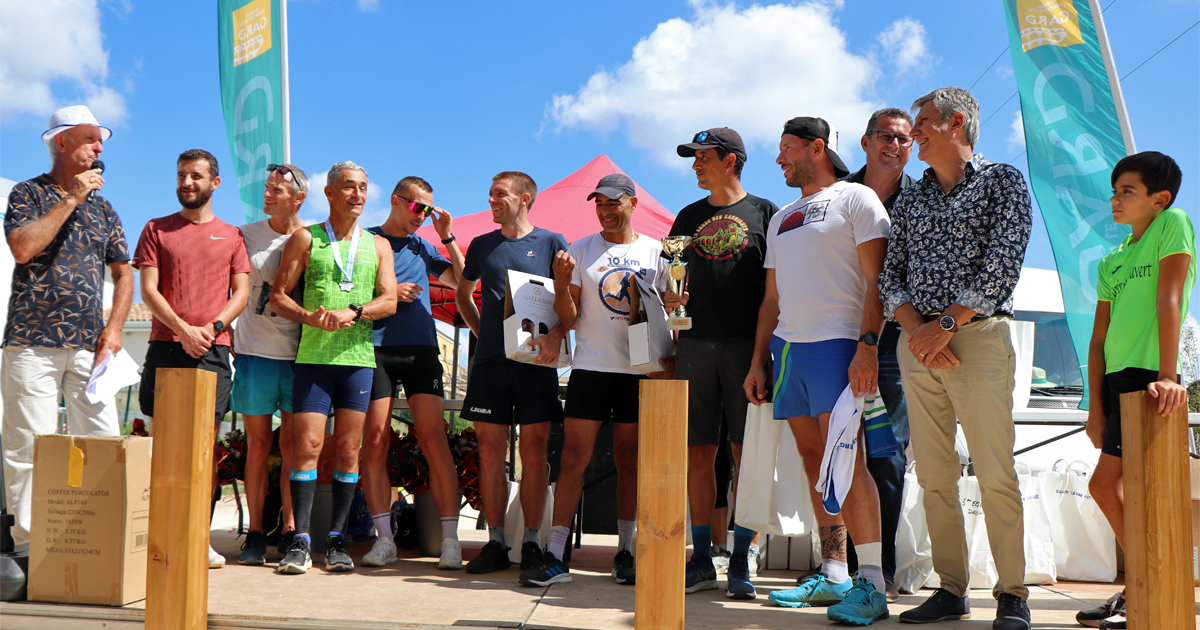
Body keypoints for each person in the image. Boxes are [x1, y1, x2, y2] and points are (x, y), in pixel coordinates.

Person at [878, 87, 1033, 630]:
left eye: (921, 121)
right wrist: (920, 332)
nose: (914, 131)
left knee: (995, 471)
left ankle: (1013, 595)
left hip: (977, 339)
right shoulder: (914, 198)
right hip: (918, 341)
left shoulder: (1002, 181)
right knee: (935, 475)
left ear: (955, 122)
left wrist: (944, 328)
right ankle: (950, 590)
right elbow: (889, 277)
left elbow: (1002, 266)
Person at [744, 116, 891, 625]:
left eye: (787, 149)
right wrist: (759, 358)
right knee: (814, 462)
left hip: (839, 344)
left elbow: (877, 281)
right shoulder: (781, 214)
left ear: (817, 148)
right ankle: (834, 574)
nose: (780, 159)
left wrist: (867, 345)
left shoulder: (857, 198)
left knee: (847, 462)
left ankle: (872, 584)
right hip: (788, 350)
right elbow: (771, 298)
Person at [516, 174, 671, 587]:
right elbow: (567, 318)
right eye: (598, 203)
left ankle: (626, 550)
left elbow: (669, 314)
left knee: (629, 461)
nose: (605, 210)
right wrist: (562, 281)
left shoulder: (659, 253)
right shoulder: (580, 249)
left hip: (640, 373)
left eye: (613, 202)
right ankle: (554, 553)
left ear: (633, 203)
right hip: (591, 369)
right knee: (572, 460)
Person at [2, 105, 133, 548]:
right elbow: (22, 248)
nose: (100, 147)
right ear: (62, 142)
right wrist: (71, 198)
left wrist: (114, 331)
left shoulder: (107, 210)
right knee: (29, 448)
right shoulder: (28, 194)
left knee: (103, 442)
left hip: (90, 348)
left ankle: (101, 543)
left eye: (102, 141)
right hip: (30, 344)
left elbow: (124, 274)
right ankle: (26, 550)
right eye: (90, 139)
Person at [1075, 152, 1193, 630]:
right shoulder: (1112, 259)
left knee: (1144, 493)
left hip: (1152, 379)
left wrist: (1168, 375)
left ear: (1158, 198)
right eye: (1114, 190)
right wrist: (1093, 407)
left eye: (1127, 190)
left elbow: (1171, 298)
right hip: (1114, 384)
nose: (1115, 199)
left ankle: (1146, 595)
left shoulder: (1173, 223)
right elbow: (1098, 337)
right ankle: (1138, 589)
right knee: (1105, 485)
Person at [269, 161, 397, 574]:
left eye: (362, 187)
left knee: (347, 450)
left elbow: (390, 301)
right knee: (306, 448)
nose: (357, 194)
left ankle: (337, 539)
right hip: (313, 361)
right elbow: (278, 297)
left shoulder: (378, 245)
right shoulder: (306, 238)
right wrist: (313, 318)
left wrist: (355, 311)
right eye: (348, 187)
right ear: (329, 193)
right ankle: (301, 541)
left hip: (358, 363)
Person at [667, 128, 778, 599]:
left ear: (731, 161)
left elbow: (776, 291)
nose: (695, 164)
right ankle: (699, 557)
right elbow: (671, 279)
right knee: (697, 453)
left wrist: (762, 354)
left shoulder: (766, 213)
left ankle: (740, 559)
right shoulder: (687, 217)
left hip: (746, 349)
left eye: (703, 157)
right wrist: (670, 299)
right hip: (693, 345)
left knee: (744, 456)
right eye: (693, 157)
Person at [133, 148, 251, 569]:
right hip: (167, 347)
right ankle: (160, 538)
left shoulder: (232, 235)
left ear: (214, 183)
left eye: (196, 176)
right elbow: (148, 291)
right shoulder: (155, 229)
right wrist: (184, 330)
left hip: (213, 351)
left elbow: (241, 293)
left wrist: (212, 330)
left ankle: (198, 539)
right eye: (181, 175)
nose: (187, 182)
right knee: (163, 449)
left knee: (204, 451)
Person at [455, 171, 569, 574]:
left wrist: (556, 335)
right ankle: (496, 543)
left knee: (534, 453)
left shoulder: (553, 242)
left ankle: (533, 542)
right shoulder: (482, 245)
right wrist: (483, 333)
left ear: (524, 199)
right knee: (489, 453)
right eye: (489, 194)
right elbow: (462, 294)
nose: (492, 200)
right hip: (489, 365)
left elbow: (569, 306)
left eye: (499, 194)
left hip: (536, 365)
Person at [360, 176, 466, 570]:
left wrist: (448, 236)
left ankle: (450, 540)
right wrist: (388, 295)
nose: (424, 216)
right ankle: (384, 539)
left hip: (421, 350)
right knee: (374, 440)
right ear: (396, 201)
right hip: (375, 349)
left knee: (434, 438)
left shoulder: (424, 245)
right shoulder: (366, 240)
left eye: (430, 210)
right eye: (420, 208)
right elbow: (345, 292)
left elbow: (462, 282)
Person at [841, 107, 916, 602]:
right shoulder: (835, 193)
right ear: (866, 142)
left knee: (886, 458)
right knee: (836, 455)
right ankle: (842, 570)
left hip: (893, 343)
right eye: (886, 137)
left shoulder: (924, 199)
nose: (895, 145)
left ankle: (879, 572)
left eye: (905, 140)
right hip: (833, 336)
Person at [232, 163, 309, 565]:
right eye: (266, 188)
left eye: (276, 190)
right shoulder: (245, 235)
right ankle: (256, 534)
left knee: (295, 448)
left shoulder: (313, 238)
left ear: (298, 198)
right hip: (254, 352)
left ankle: (291, 531)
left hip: (299, 356)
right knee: (259, 445)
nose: (267, 194)